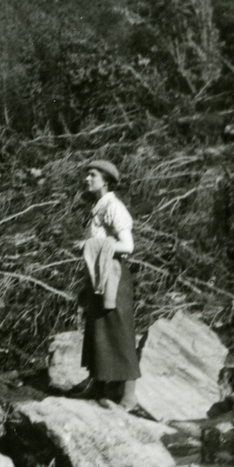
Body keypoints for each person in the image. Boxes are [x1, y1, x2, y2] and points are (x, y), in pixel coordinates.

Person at [77, 159, 141, 409]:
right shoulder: (98, 207)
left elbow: (128, 246)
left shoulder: (114, 207)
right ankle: (98, 386)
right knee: (97, 328)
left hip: (113, 275)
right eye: (87, 174)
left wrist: (90, 245)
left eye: (93, 175)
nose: (87, 179)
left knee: (119, 331)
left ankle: (129, 396)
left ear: (105, 181)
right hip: (99, 275)